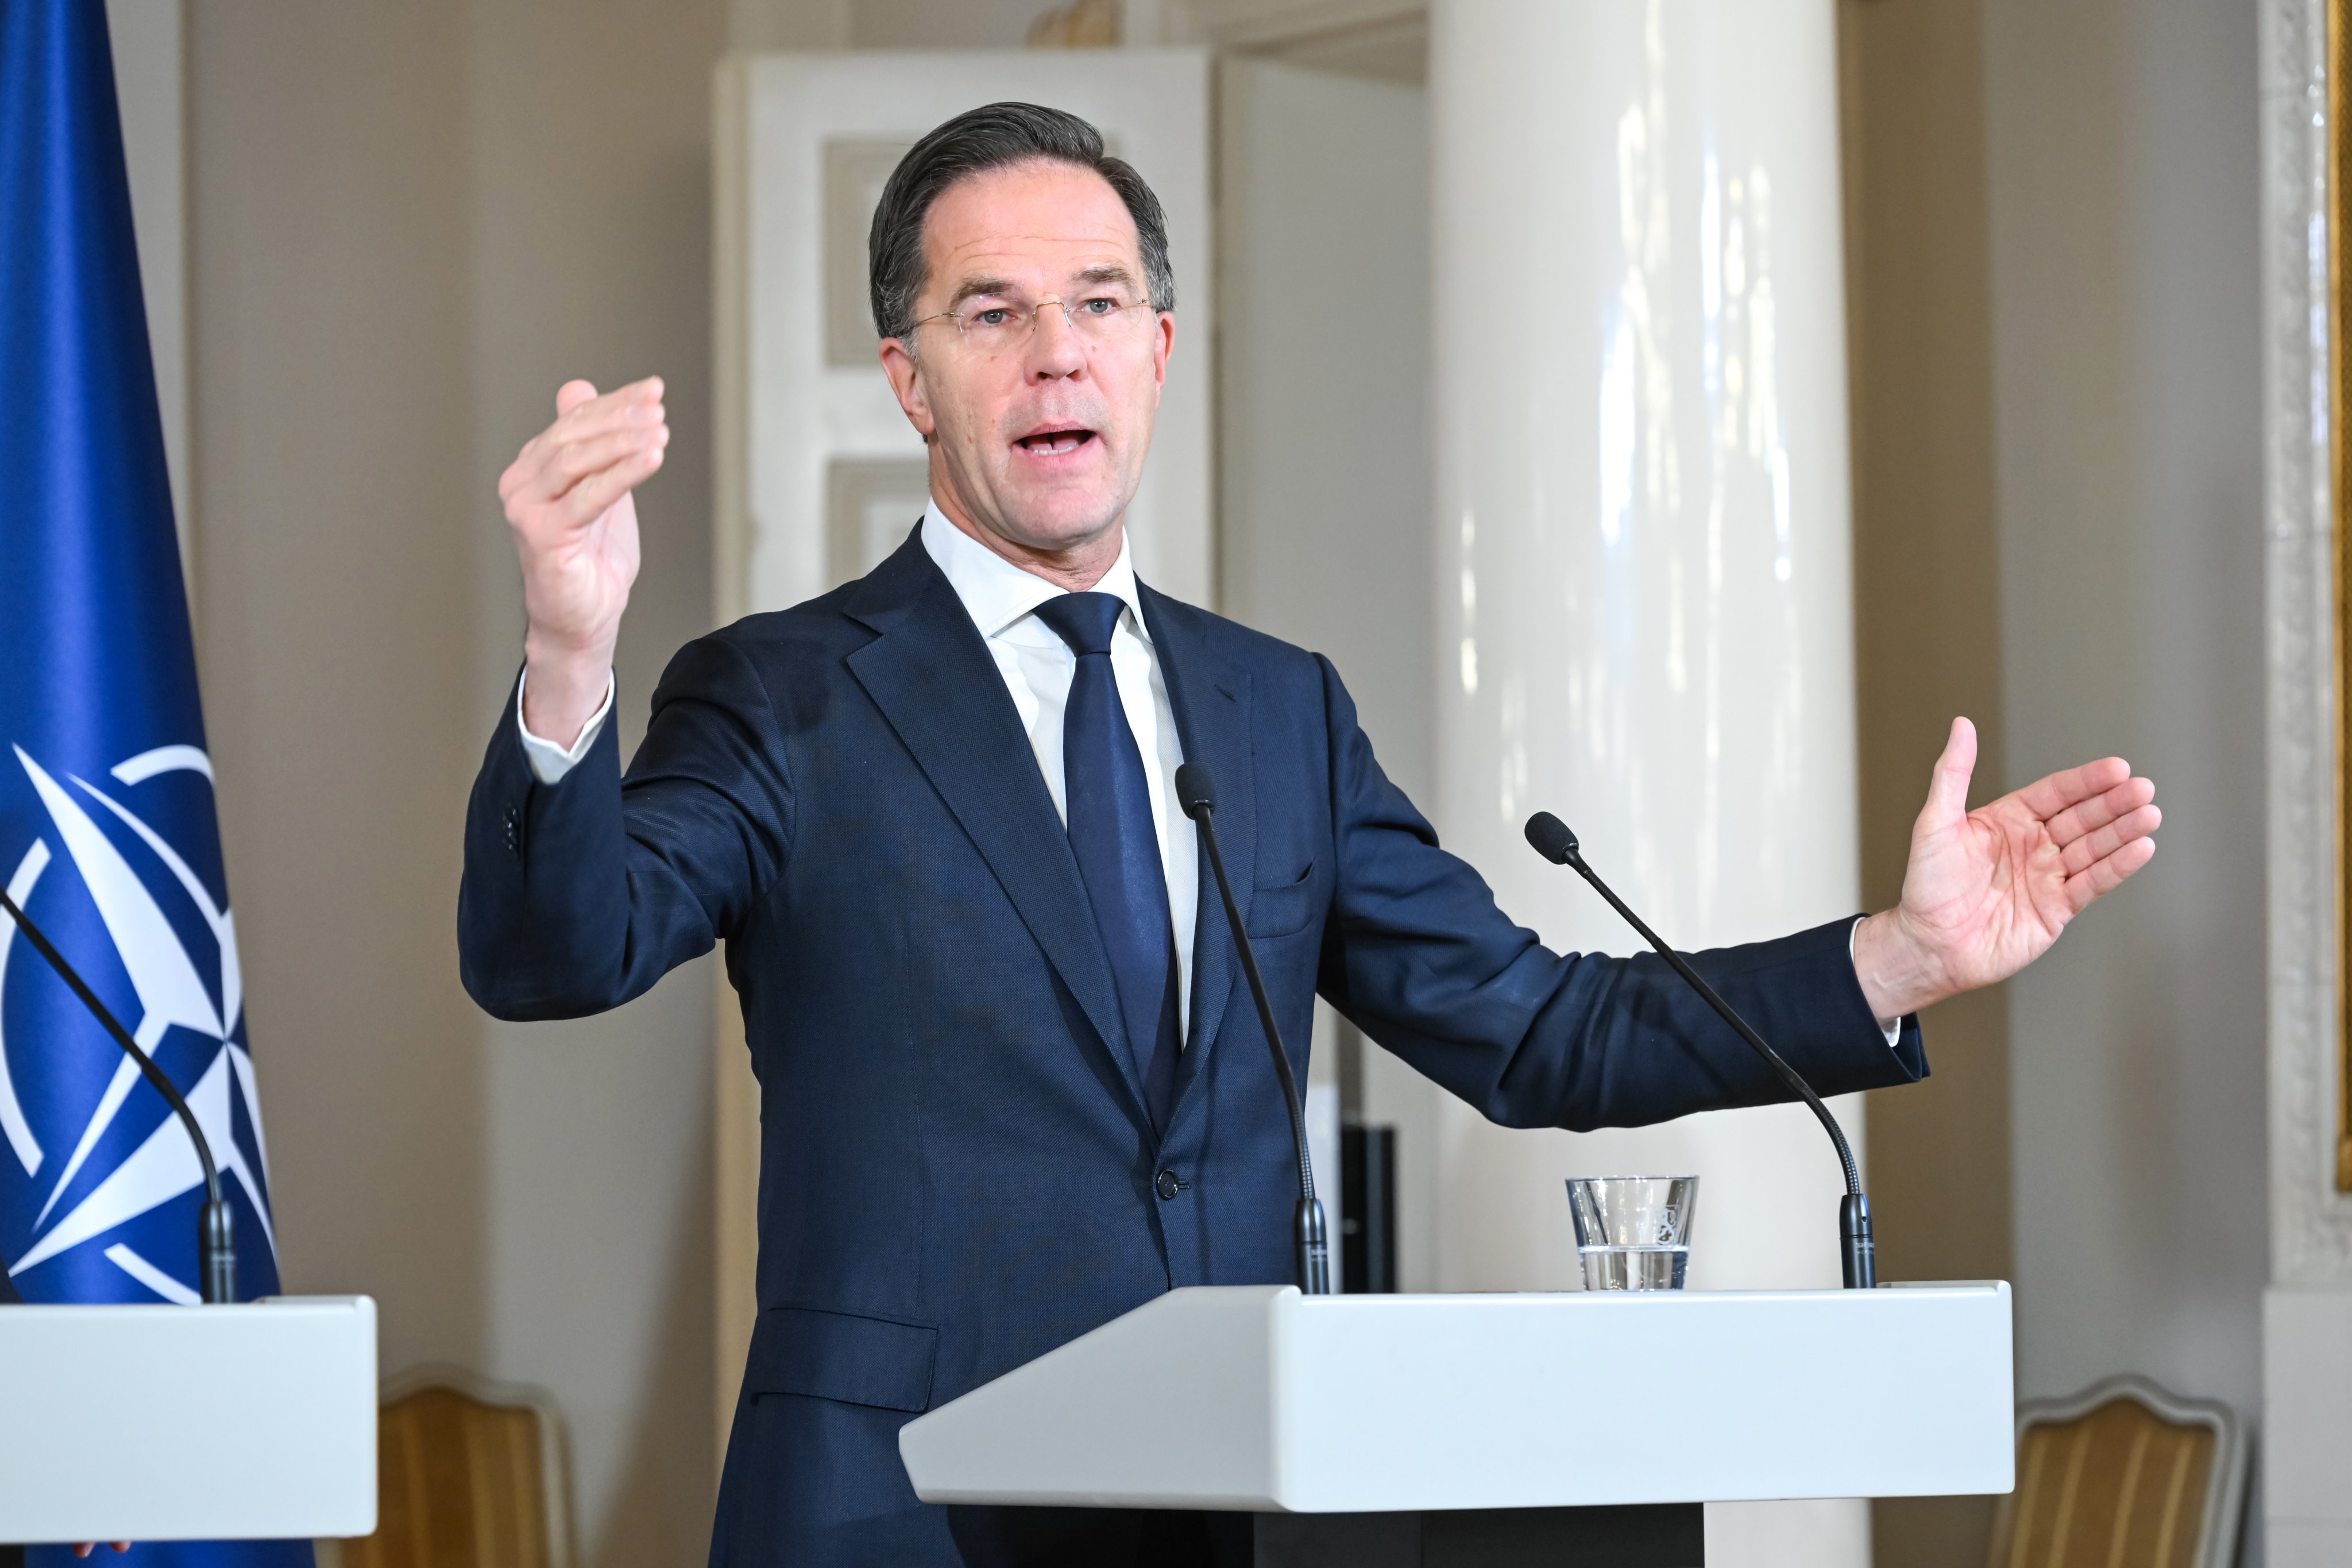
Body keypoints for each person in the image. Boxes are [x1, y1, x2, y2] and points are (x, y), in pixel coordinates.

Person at [456, 103, 2158, 1567]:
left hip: (1233, 1510)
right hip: (896, 1508)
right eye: (995, 312)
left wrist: (1902, 955)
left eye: (1100, 302)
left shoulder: (1276, 709)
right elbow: (557, 953)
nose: (1058, 348)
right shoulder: (785, 692)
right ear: (910, 378)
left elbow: (1535, 1028)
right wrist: (569, 650)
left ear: (1157, 353)